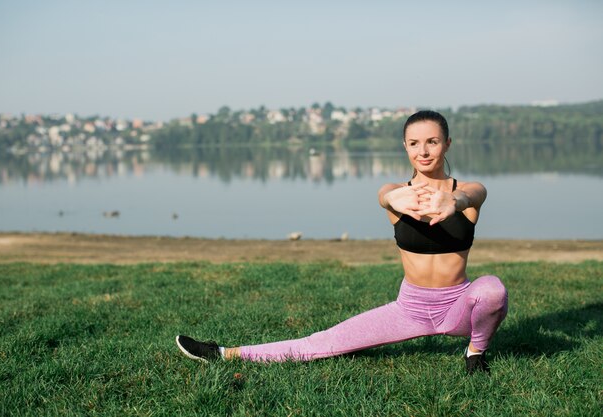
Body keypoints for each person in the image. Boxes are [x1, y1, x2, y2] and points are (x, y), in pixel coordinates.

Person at [176, 110, 508, 374]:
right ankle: (223, 353)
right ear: (404, 147)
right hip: (410, 308)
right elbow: (383, 196)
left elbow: (478, 191)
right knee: (321, 343)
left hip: (457, 306)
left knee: (492, 290)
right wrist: (392, 196)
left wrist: (456, 200)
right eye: (414, 143)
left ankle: (475, 353)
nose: (423, 150)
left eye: (432, 141)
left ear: (447, 144)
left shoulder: (465, 192)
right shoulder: (397, 195)